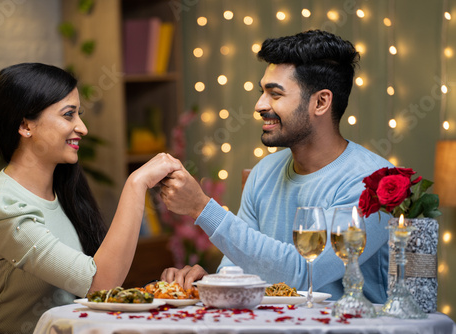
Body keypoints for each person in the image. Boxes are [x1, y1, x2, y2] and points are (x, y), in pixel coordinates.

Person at [159, 30, 394, 304]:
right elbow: (238, 269)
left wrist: (202, 207)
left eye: (275, 94)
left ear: (320, 102)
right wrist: (210, 282)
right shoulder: (264, 172)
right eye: (263, 92)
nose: (260, 105)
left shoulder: (374, 184)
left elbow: (302, 272)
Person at [0, 63, 182, 333]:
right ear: (25, 125)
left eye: (78, 114)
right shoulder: (1, 208)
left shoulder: (65, 189)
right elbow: (99, 283)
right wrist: (136, 184)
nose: (82, 128)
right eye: (68, 115)